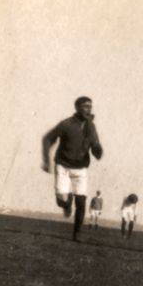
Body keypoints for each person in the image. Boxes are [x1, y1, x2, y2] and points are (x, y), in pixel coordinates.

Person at [41, 96, 103, 242]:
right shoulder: (66, 124)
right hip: (63, 166)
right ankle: (66, 204)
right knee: (62, 200)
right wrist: (46, 160)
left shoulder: (91, 126)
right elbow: (48, 138)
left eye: (90, 107)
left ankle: (77, 233)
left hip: (81, 169)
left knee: (81, 201)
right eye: (85, 106)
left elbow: (95, 144)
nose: (89, 109)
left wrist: (97, 151)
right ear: (77, 108)